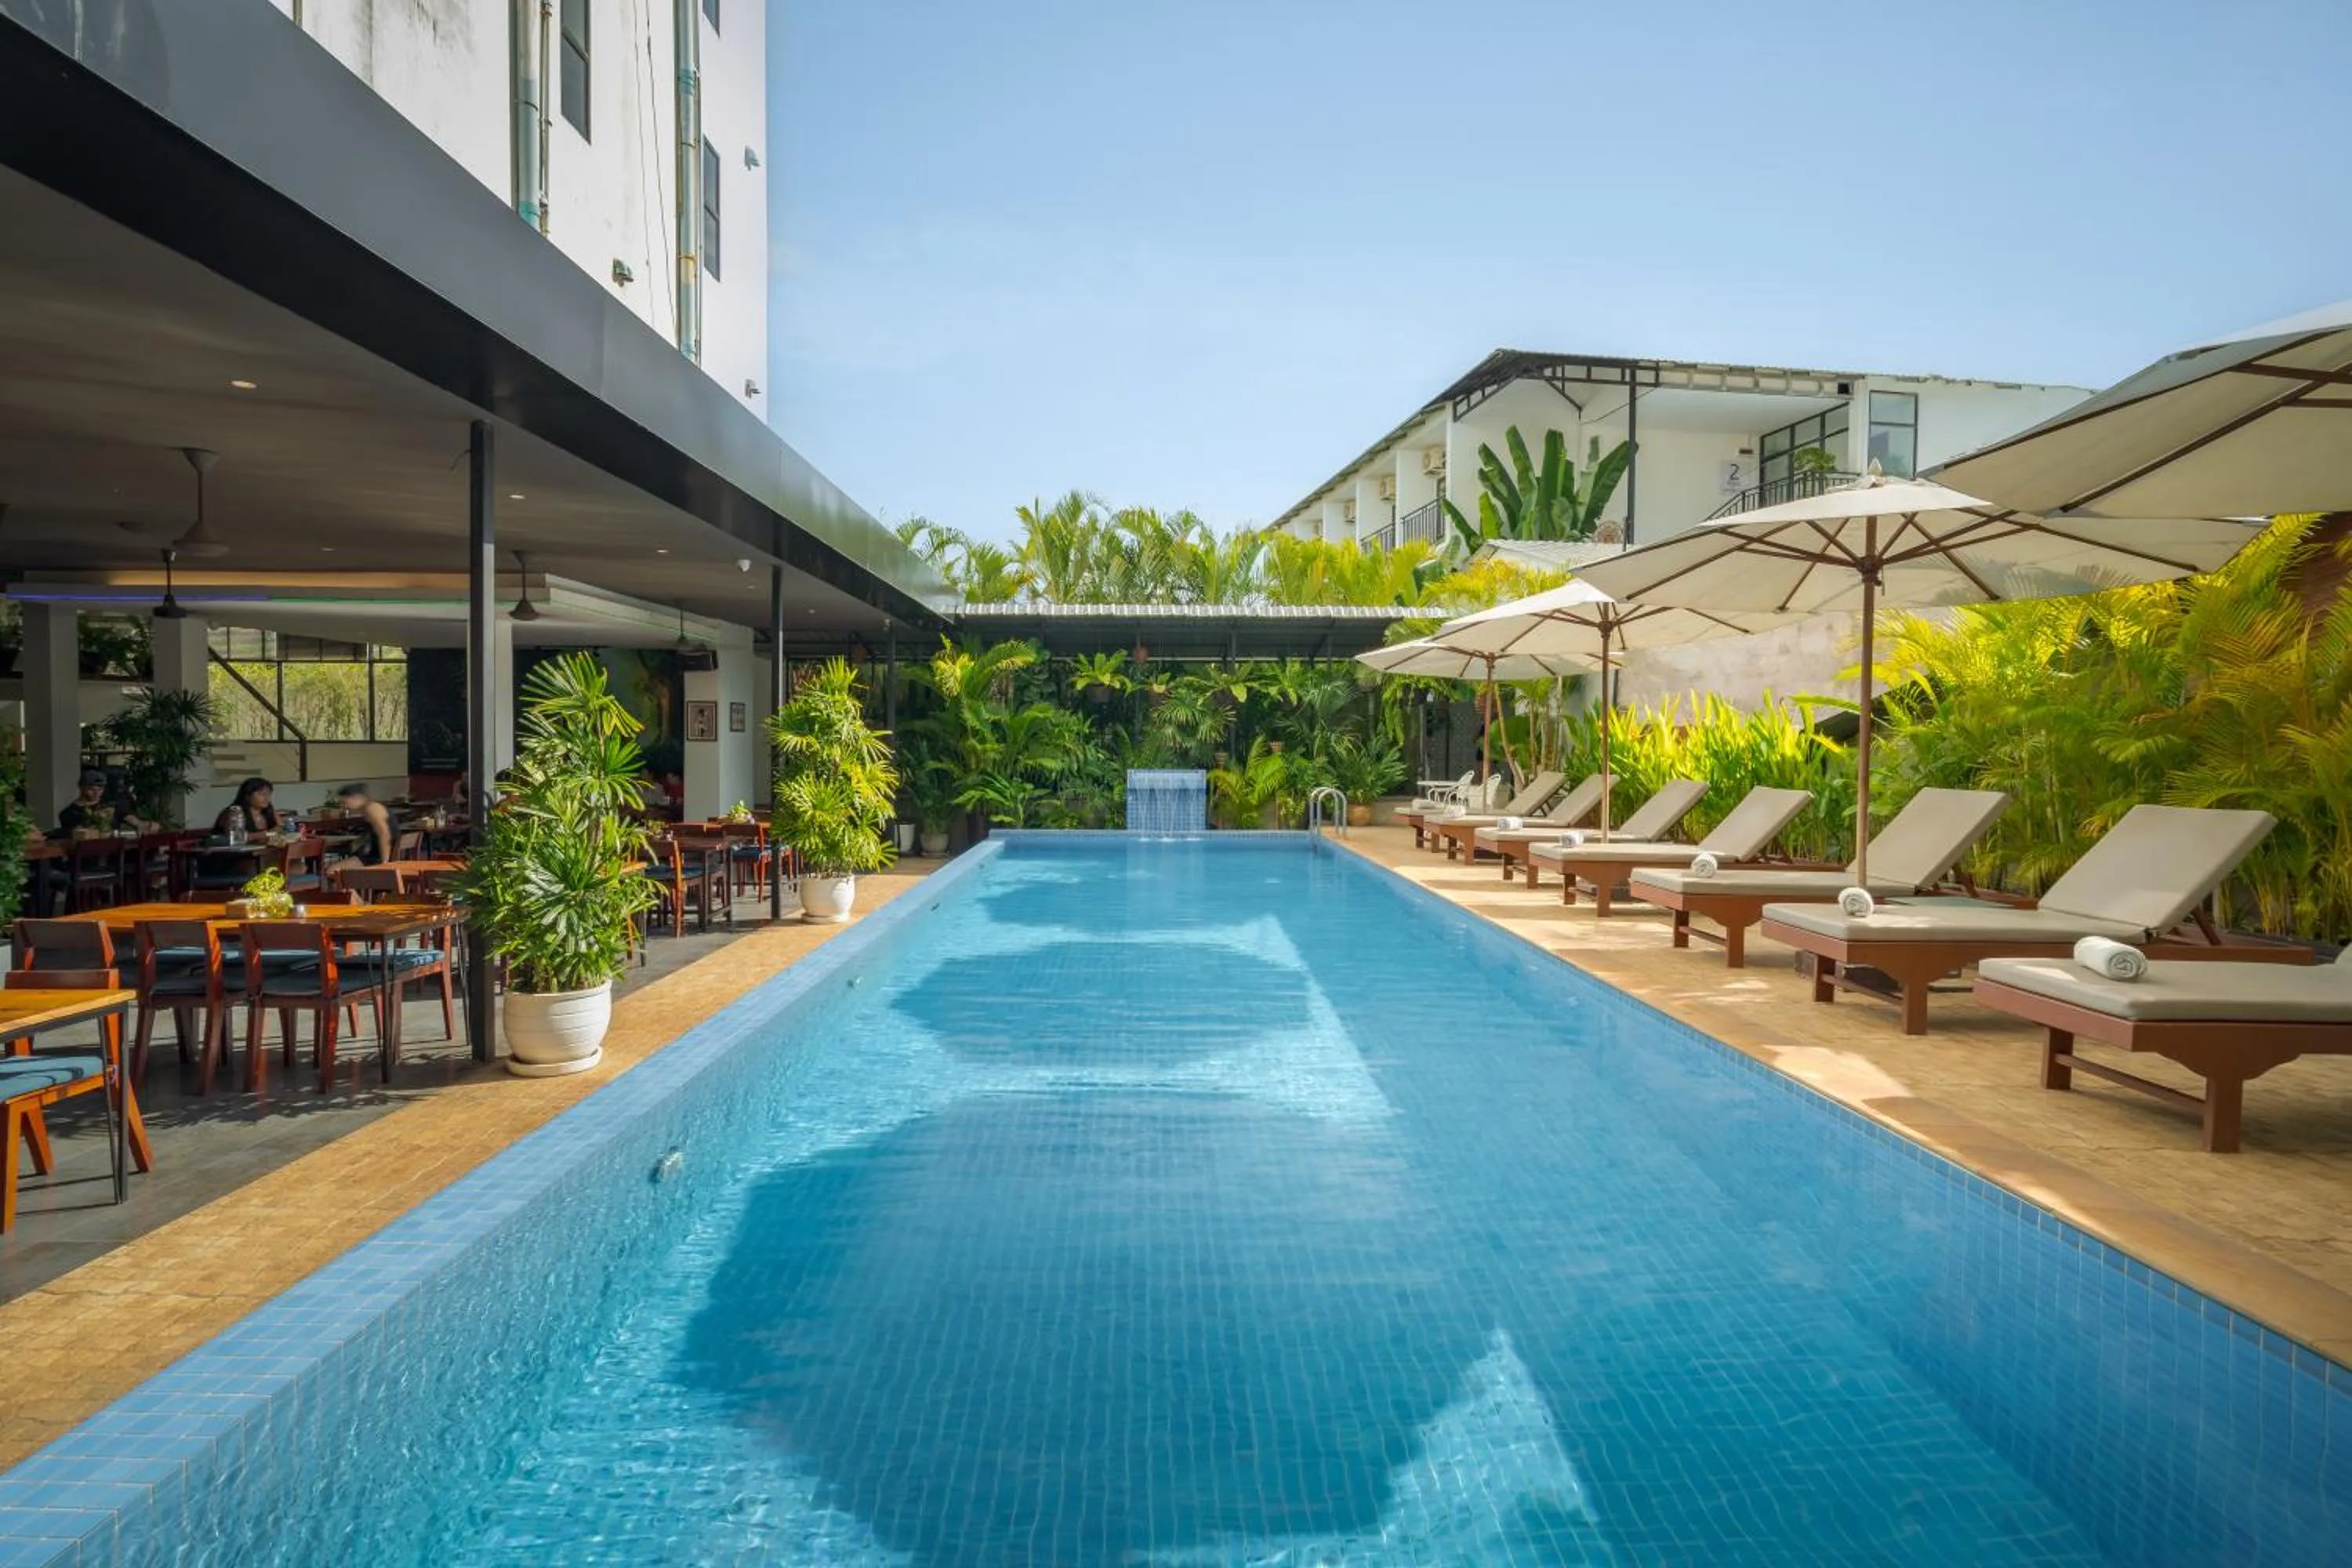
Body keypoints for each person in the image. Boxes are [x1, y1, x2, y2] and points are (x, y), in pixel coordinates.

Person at [336, 782, 394, 866]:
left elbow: (384, 835)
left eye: (345, 802)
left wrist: (385, 863)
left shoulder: (372, 809)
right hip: (375, 853)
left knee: (332, 871)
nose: (344, 806)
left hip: (378, 857)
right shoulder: (369, 808)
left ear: (356, 797)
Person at [214, 777, 281, 837]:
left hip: (260, 850)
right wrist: (266, 834)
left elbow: (281, 829)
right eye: (261, 794)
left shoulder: (269, 810)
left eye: (269, 794)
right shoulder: (235, 812)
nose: (267, 798)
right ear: (247, 796)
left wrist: (279, 829)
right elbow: (236, 837)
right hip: (232, 850)